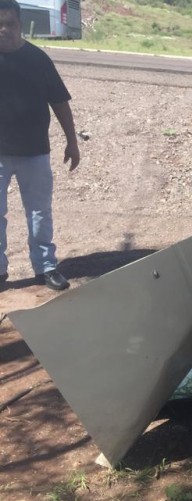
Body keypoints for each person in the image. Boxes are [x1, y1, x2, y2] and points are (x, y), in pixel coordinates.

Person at [0, 0, 79, 291]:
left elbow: (59, 101)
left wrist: (72, 141)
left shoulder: (37, 59)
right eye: (0, 24)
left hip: (35, 152)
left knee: (39, 212)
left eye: (10, 24)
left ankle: (46, 266)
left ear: (21, 25)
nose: (4, 30)